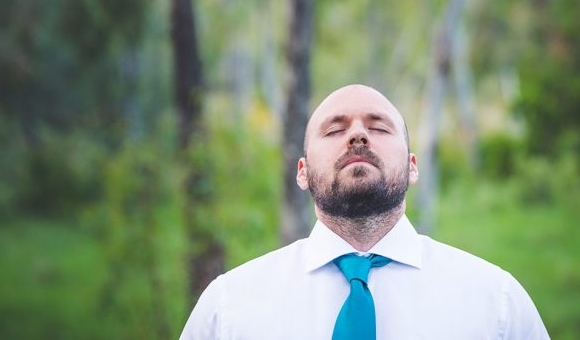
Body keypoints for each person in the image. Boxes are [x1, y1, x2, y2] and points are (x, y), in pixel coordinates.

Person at [180, 84, 549, 339]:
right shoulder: (229, 308)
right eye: (334, 129)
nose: (358, 136)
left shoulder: (496, 302)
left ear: (412, 166)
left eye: (378, 127)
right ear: (303, 172)